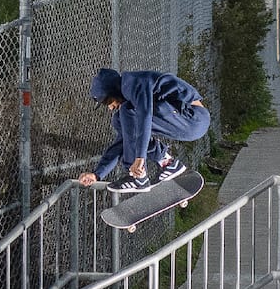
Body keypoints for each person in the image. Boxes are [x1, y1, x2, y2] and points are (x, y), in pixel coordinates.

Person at [77, 67, 210, 194]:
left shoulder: (132, 83)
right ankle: (167, 162)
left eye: (108, 101)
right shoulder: (129, 92)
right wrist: (97, 173)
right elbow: (124, 141)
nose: (110, 107)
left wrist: (139, 158)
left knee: (128, 110)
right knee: (120, 120)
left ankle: (138, 177)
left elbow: (145, 115)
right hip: (186, 121)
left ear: (113, 90)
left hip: (193, 118)